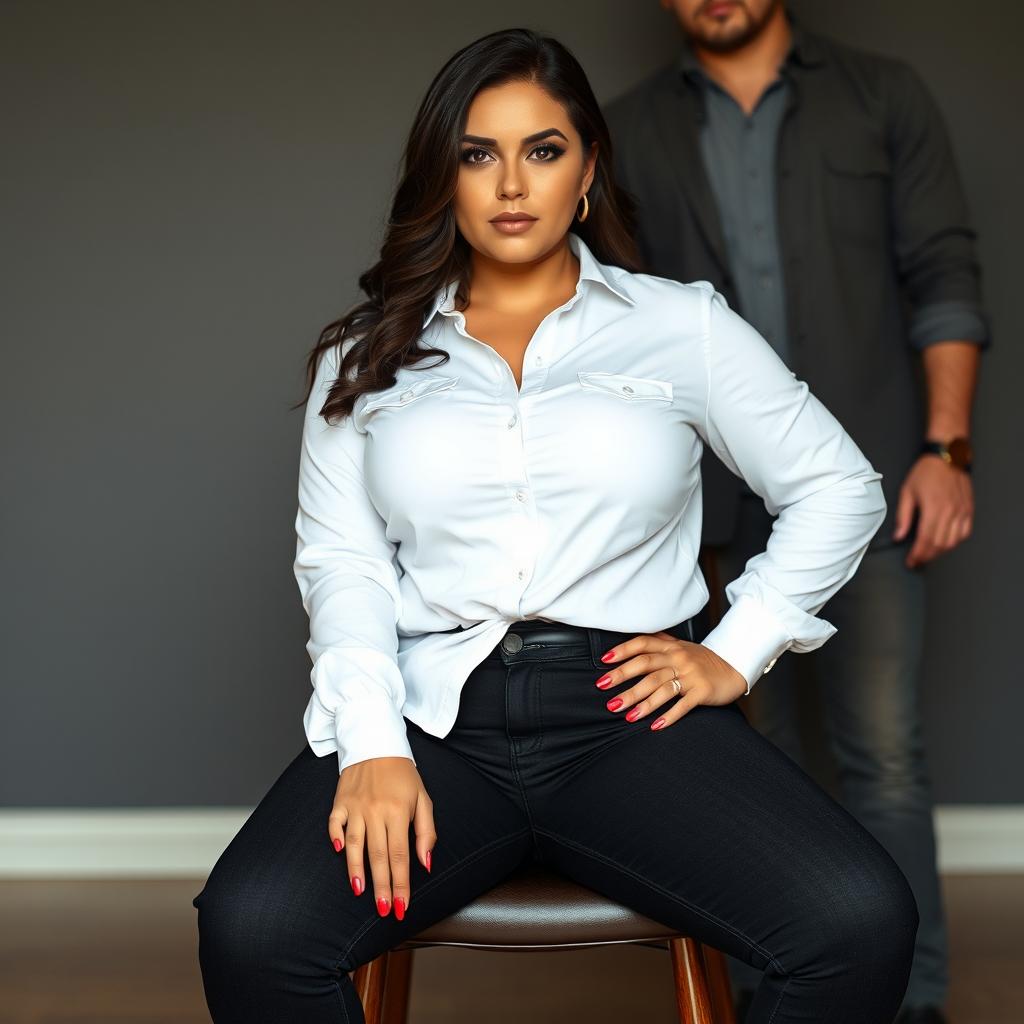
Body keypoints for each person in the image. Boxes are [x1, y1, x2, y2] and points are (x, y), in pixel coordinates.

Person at [191, 27, 919, 1024]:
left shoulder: (679, 325)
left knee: (858, 918)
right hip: (431, 713)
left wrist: (734, 651)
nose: (510, 183)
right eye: (476, 153)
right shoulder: (364, 359)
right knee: (254, 925)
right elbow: (344, 569)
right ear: (442, 177)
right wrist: (370, 747)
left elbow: (839, 486)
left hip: (629, 715)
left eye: (542, 149)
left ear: (585, 173)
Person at [600, 3, 991, 1022]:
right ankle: (779, 996)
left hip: (864, 483)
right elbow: (605, 322)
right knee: (735, 763)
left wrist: (945, 450)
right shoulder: (624, 128)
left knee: (884, 752)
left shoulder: (881, 97)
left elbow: (944, 277)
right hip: (708, 507)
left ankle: (910, 998)